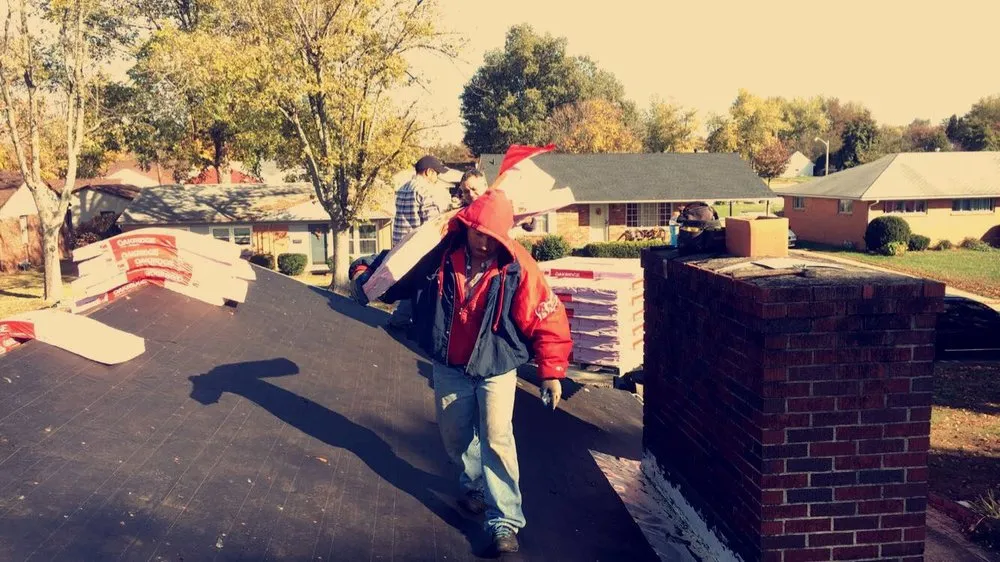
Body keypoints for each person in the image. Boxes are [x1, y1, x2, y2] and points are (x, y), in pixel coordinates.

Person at [349, 190, 572, 555]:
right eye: (479, 233)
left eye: (494, 237)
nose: (485, 243)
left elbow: (547, 316)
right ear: (467, 226)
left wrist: (552, 371)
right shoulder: (438, 255)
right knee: (455, 437)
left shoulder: (519, 266)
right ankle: (474, 486)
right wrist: (364, 274)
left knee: (496, 438)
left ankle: (504, 521)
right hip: (450, 365)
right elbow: (396, 270)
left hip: (496, 367)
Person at [389, 154, 451, 328]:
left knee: (410, 284)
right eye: (436, 174)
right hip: (418, 246)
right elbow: (433, 222)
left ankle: (400, 318)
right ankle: (405, 321)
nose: (437, 179)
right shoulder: (425, 190)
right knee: (422, 285)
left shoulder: (403, 188)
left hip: (401, 244)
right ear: (429, 172)